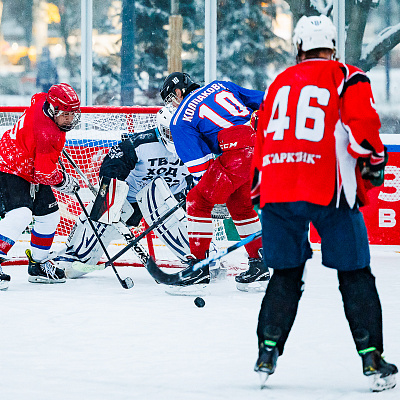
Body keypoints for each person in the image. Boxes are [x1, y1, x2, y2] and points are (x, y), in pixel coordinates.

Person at [251, 15, 397, 391]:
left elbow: (262, 140)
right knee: (355, 275)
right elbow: (362, 130)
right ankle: (372, 360)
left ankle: (267, 352)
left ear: (299, 47)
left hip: (278, 189)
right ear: (333, 45)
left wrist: (258, 191)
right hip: (327, 189)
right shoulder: (347, 75)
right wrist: (374, 161)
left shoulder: (279, 81)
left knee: (286, 274)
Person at [54, 106, 193, 279]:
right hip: (130, 201)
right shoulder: (141, 143)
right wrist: (112, 198)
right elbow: (111, 165)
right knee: (99, 211)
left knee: (186, 222)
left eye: (179, 132)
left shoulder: (195, 144)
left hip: (170, 201)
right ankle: (75, 255)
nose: (175, 137)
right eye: (170, 132)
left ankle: (201, 261)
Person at [160, 72, 268, 291]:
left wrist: (211, 193)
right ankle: (259, 265)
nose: (172, 104)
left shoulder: (180, 119)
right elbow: (265, 100)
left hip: (235, 153)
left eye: (172, 97)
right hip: (261, 147)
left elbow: (199, 165)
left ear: (179, 91)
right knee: (241, 206)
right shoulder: (220, 85)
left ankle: (198, 270)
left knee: (196, 201)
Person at [0, 83, 81, 290]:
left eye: (73, 114)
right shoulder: (48, 135)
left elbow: (36, 97)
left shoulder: (42, 100)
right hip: (10, 165)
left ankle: (38, 264)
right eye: (65, 114)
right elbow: (45, 174)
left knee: (50, 215)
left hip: (30, 164)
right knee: (21, 215)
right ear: (53, 109)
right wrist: (64, 181)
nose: (70, 119)